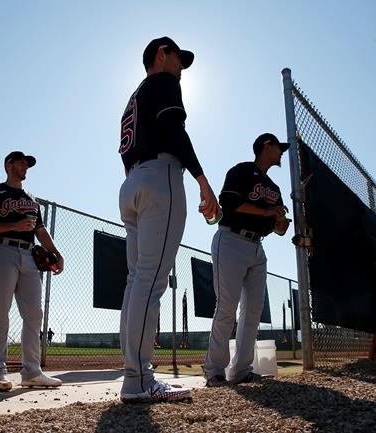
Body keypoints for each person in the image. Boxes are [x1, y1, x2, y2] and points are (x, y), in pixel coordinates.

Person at [117, 36, 220, 403]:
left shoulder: (134, 96)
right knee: (150, 279)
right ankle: (139, 378)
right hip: (160, 177)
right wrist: (202, 179)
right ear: (162, 54)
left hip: (132, 182)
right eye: (178, 58)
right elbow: (175, 131)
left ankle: (134, 375)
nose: (181, 67)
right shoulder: (163, 81)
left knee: (136, 281)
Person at [204, 133, 290, 387]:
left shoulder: (274, 188)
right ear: (266, 146)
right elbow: (228, 204)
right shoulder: (241, 171)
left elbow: (280, 229)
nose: (281, 152)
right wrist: (266, 211)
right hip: (231, 240)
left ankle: (241, 370)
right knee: (226, 308)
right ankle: (214, 371)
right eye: (278, 147)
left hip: (257, 247)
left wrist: (280, 221)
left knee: (253, 312)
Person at [0, 151, 64, 392]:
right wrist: (13, 225)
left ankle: (32, 372)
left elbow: (40, 231)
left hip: (29, 255)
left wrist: (56, 252)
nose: (25, 166)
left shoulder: (32, 200)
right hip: (1, 251)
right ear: (8, 165)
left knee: (35, 314)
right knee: (2, 312)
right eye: (20, 162)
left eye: (27, 164)